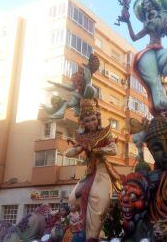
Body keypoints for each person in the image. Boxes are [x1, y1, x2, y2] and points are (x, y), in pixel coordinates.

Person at [67, 98, 121, 242]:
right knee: (72, 199)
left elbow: (114, 149)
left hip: (102, 171)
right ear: (82, 123)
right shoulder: (82, 137)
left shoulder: (105, 132)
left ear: (97, 118)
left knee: (98, 199)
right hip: (89, 173)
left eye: (93, 119)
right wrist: (81, 147)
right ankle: (82, 231)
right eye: (87, 121)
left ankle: (94, 235)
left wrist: (97, 150)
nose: (91, 123)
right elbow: (68, 153)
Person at [120, 0, 167, 113]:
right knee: (154, 81)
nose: (146, 6)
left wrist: (166, 29)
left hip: (160, 52)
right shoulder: (147, 24)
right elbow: (134, 37)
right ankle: (160, 103)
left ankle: (161, 78)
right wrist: (128, 22)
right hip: (149, 52)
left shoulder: (163, 20)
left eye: (148, 3)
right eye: (144, 5)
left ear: (154, 4)